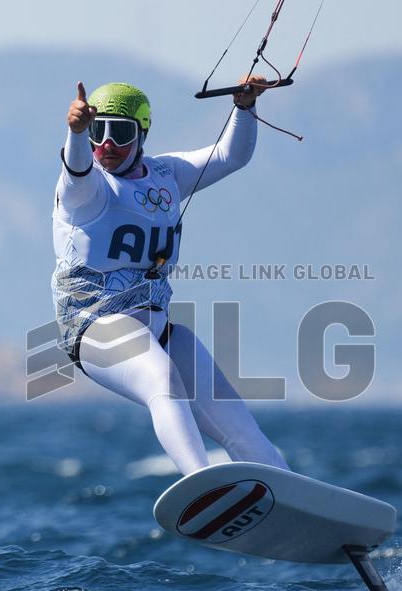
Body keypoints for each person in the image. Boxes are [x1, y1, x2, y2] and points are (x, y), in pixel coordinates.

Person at [52, 77, 289, 476]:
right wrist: (75, 134)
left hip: (159, 329)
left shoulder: (167, 174)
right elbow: (76, 169)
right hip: (94, 328)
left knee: (239, 426)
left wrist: (245, 108)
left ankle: (295, 498)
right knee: (161, 378)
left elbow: (231, 156)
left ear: (142, 134)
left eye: (120, 132)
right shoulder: (86, 188)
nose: (106, 143)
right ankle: (200, 480)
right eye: (98, 129)